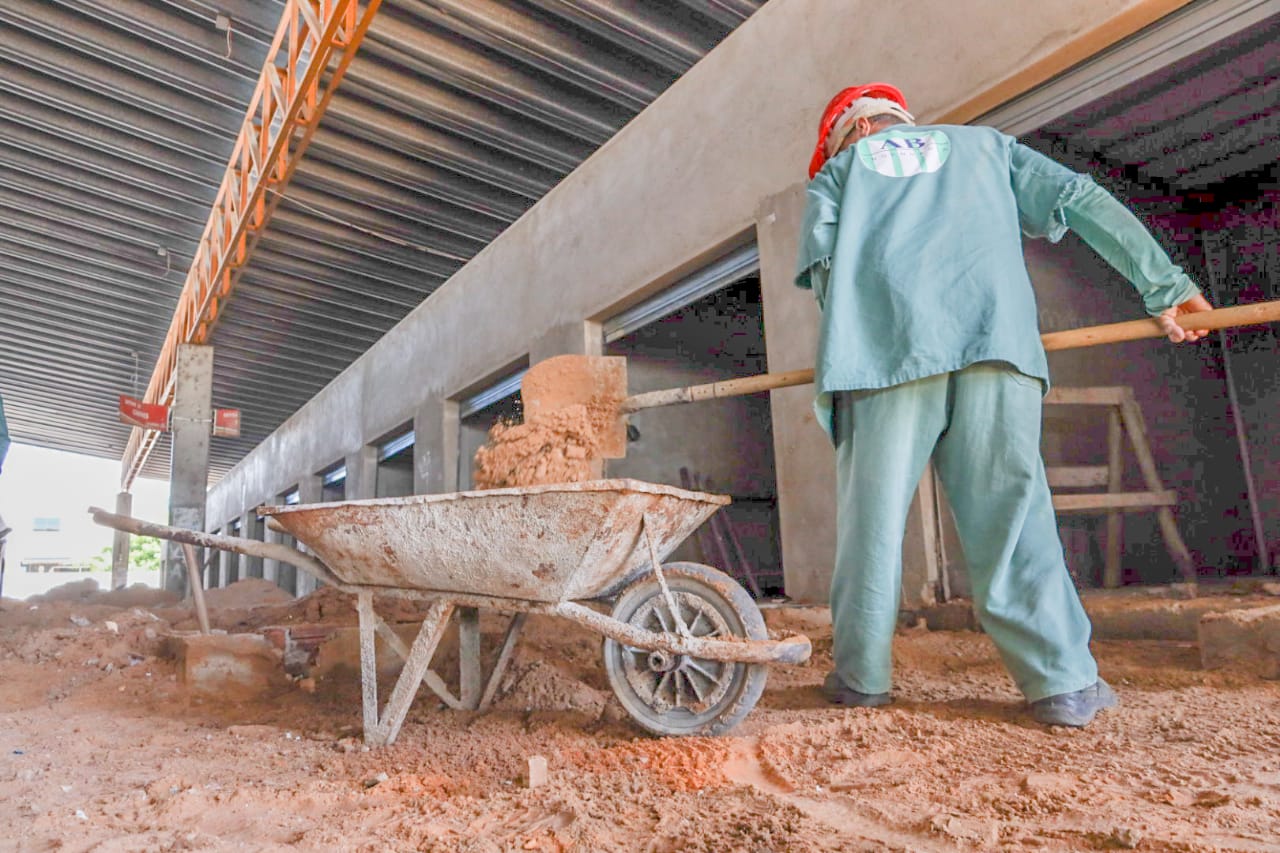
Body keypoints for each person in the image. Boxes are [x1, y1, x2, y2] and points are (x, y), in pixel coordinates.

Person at [795, 83, 1212, 727]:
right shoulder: (986, 147)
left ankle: (861, 679)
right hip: (997, 348)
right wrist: (1166, 286)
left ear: (844, 136)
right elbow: (1080, 199)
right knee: (1013, 519)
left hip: (883, 364)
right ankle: (1062, 685)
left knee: (871, 528)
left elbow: (827, 282)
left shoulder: (837, 178)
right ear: (901, 117)